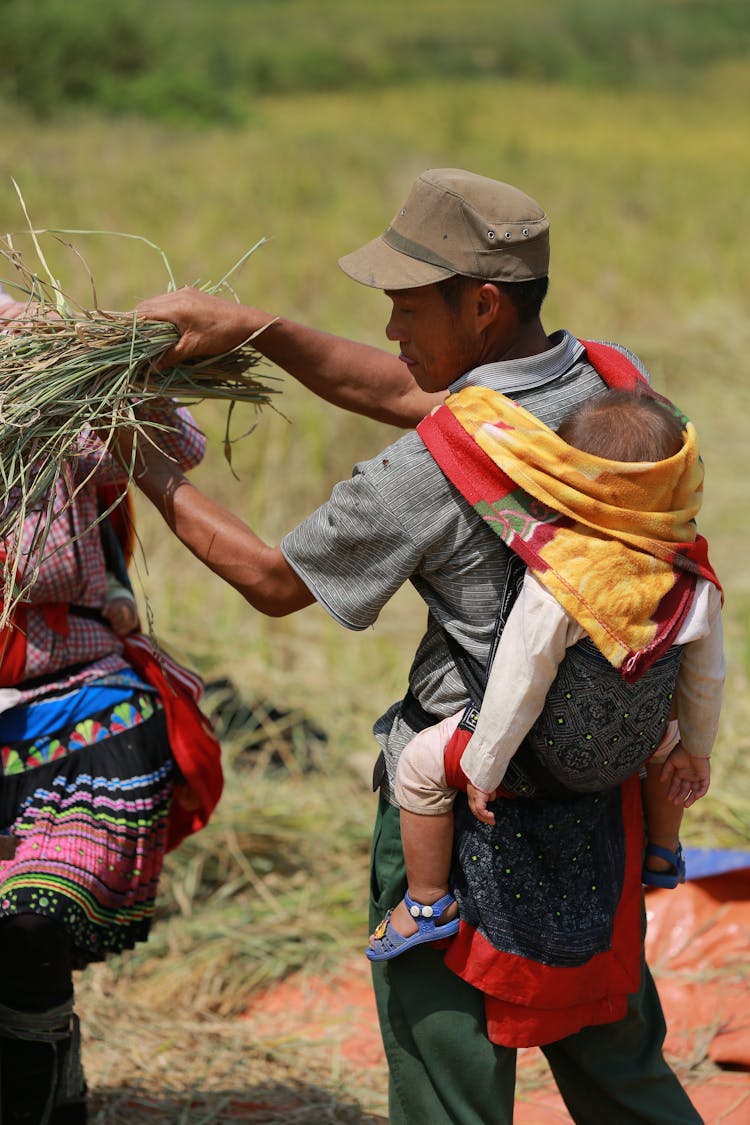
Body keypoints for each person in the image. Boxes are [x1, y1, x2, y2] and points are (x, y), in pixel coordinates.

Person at [125, 168, 708, 1123]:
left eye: (404, 307)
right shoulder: (616, 384)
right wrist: (260, 331)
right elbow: (424, 391)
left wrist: (143, 456)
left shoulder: (425, 472)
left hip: (460, 805)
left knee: (448, 1083)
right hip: (603, 798)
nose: (392, 331)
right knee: (617, 1058)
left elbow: (273, 582)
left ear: (481, 305)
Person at [368, 389, 724, 961]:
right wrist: (697, 751)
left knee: (416, 768)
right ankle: (663, 849)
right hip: (635, 751)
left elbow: (520, 680)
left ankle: (426, 903)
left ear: (573, 479)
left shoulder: (565, 576)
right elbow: (706, 679)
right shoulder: (692, 574)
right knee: (671, 743)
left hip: (542, 756)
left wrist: (486, 764)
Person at [0, 284, 222, 1125]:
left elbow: (181, 444)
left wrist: (102, 365)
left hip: (79, 695)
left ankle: (45, 1078)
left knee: (30, 922)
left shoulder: (31, 353)